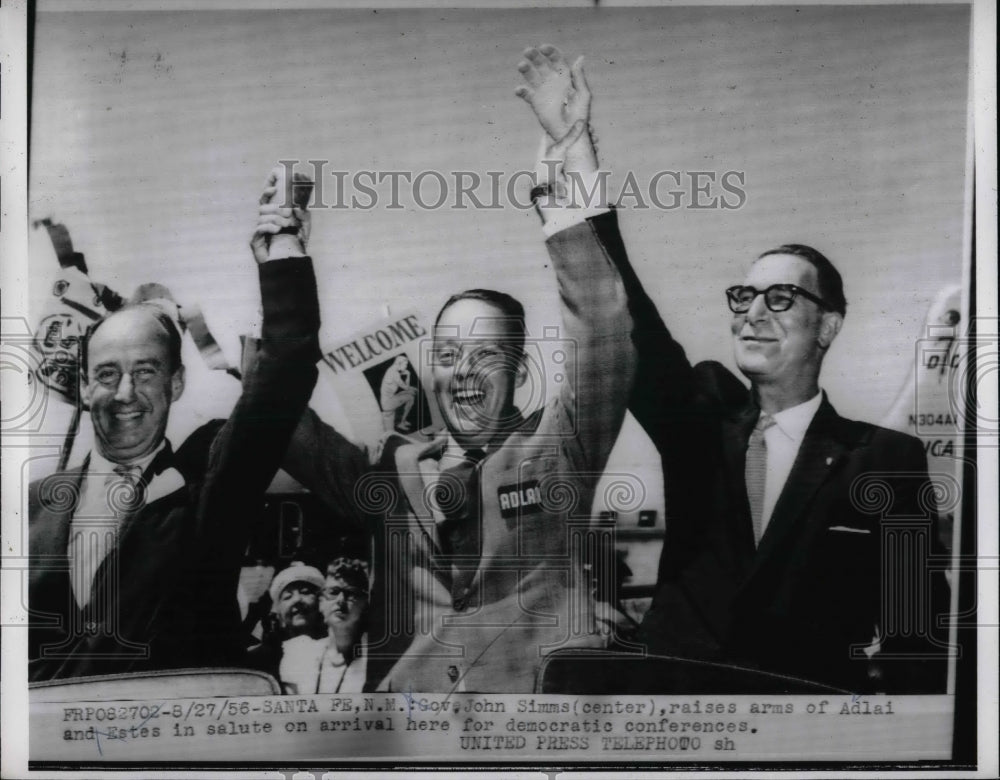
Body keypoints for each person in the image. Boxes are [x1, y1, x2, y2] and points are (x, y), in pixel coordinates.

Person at [516, 45, 950, 693]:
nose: (753, 313)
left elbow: (918, 636)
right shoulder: (703, 419)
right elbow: (636, 326)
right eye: (744, 297)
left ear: (828, 324)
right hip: (674, 715)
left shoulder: (887, 458)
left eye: (782, 298)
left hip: (802, 730)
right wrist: (579, 159)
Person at [281, 53, 636, 692]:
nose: (462, 374)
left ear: (522, 368)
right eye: (446, 356)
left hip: (533, 730)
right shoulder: (390, 470)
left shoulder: (557, 448)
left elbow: (606, 339)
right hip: (409, 735)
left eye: (484, 356)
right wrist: (283, 258)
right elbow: (280, 426)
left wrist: (570, 181)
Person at [27, 168, 321, 681]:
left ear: (176, 384)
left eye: (145, 373)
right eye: (107, 374)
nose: (125, 393)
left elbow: (283, 374)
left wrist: (283, 251)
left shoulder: (206, 487)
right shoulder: (32, 505)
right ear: (84, 385)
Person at [277, 558, 371, 694]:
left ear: (364, 604)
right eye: (333, 592)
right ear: (321, 603)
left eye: (351, 593)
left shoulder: (374, 660)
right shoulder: (299, 655)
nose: (340, 601)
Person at [244, 562, 326, 683]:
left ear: (321, 602)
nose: (297, 600)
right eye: (288, 597)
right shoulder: (259, 658)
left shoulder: (338, 649)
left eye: (305, 592)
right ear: (278, 613)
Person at [379, 354, 418, 432]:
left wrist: (410, 389)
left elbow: (406, 388)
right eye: (405, 364)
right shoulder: (394, 373)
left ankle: (401, 420)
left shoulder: (392, 370)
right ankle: (401, 422)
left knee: (409, 394)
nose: (406, 367)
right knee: (411, 397)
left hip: (388, 400)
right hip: (387, 403)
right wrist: (408, 375)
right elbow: (406, 387)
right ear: (399, 363)